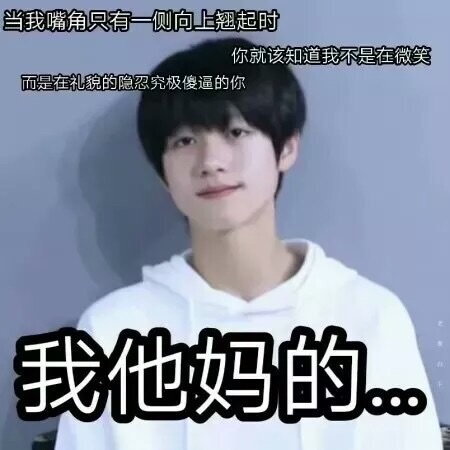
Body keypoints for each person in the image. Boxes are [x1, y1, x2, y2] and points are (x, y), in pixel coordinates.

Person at [55, 37, 443, 450]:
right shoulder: (113, 331)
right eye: (184, 141)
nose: (211, 162)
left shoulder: (368, 317)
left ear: (287, 147)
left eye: (235, 132)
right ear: (162, 174)